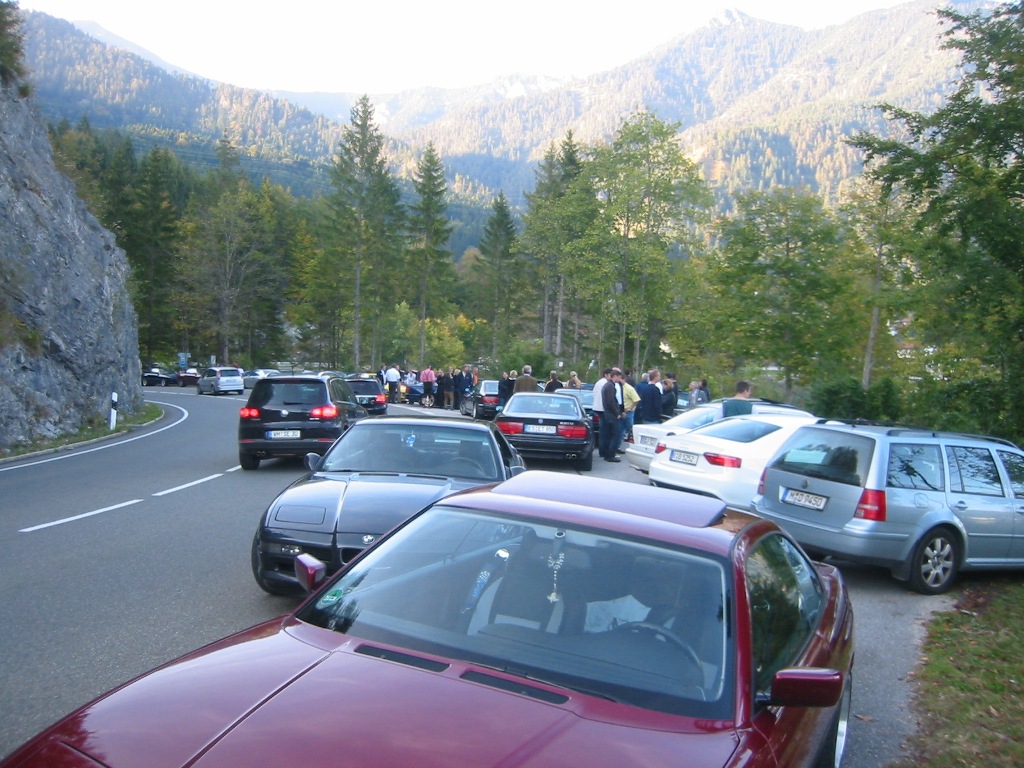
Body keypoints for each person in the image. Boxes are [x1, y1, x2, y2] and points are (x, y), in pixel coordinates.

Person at [599, 368, 625, 462]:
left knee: (609, 435)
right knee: (616, 435)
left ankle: (607, 454)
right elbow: (611, 402)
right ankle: (611, 455)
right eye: (619, 377)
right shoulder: (610, 386)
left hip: (608, 413)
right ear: (615, 376)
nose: (619, 379)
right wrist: (616, 413)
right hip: (611, 414)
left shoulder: (607, 385)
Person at [620, 375, 640, 446]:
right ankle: (620, 444)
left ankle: (633, 442)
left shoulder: (629, 388)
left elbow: (636, 399)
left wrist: (631, 408)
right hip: (621, 412)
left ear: (623, 379)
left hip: (628, 412)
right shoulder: (618, 388)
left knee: (630, 427)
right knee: (620, 429)